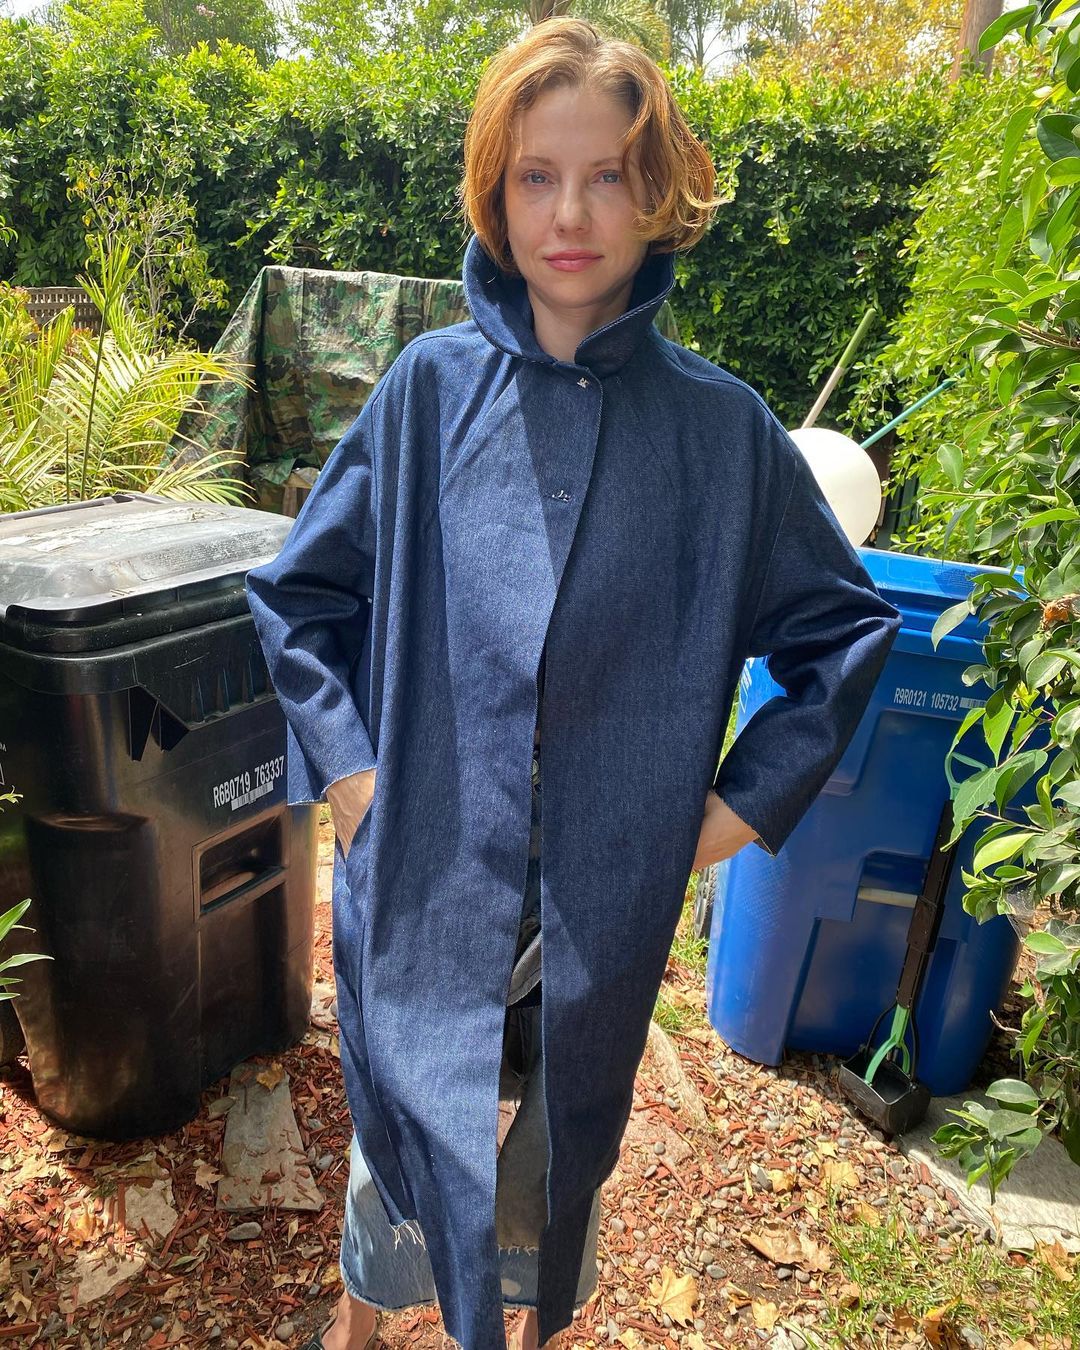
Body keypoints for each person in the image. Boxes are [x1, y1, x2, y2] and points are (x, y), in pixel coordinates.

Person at [245, 17, 902, 1350]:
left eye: (608, 176)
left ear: (658, 193)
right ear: (496, 192)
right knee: (398, 1145)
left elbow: (844, 631)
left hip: (597, 908)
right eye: (538, 176)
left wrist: (725, 817)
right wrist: (358, 781)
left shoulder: (722, 433)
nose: (570, 214)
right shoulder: (428, 394)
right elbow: (299, 596)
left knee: (556, 1168)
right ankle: (360, 1329)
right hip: (425, 871)